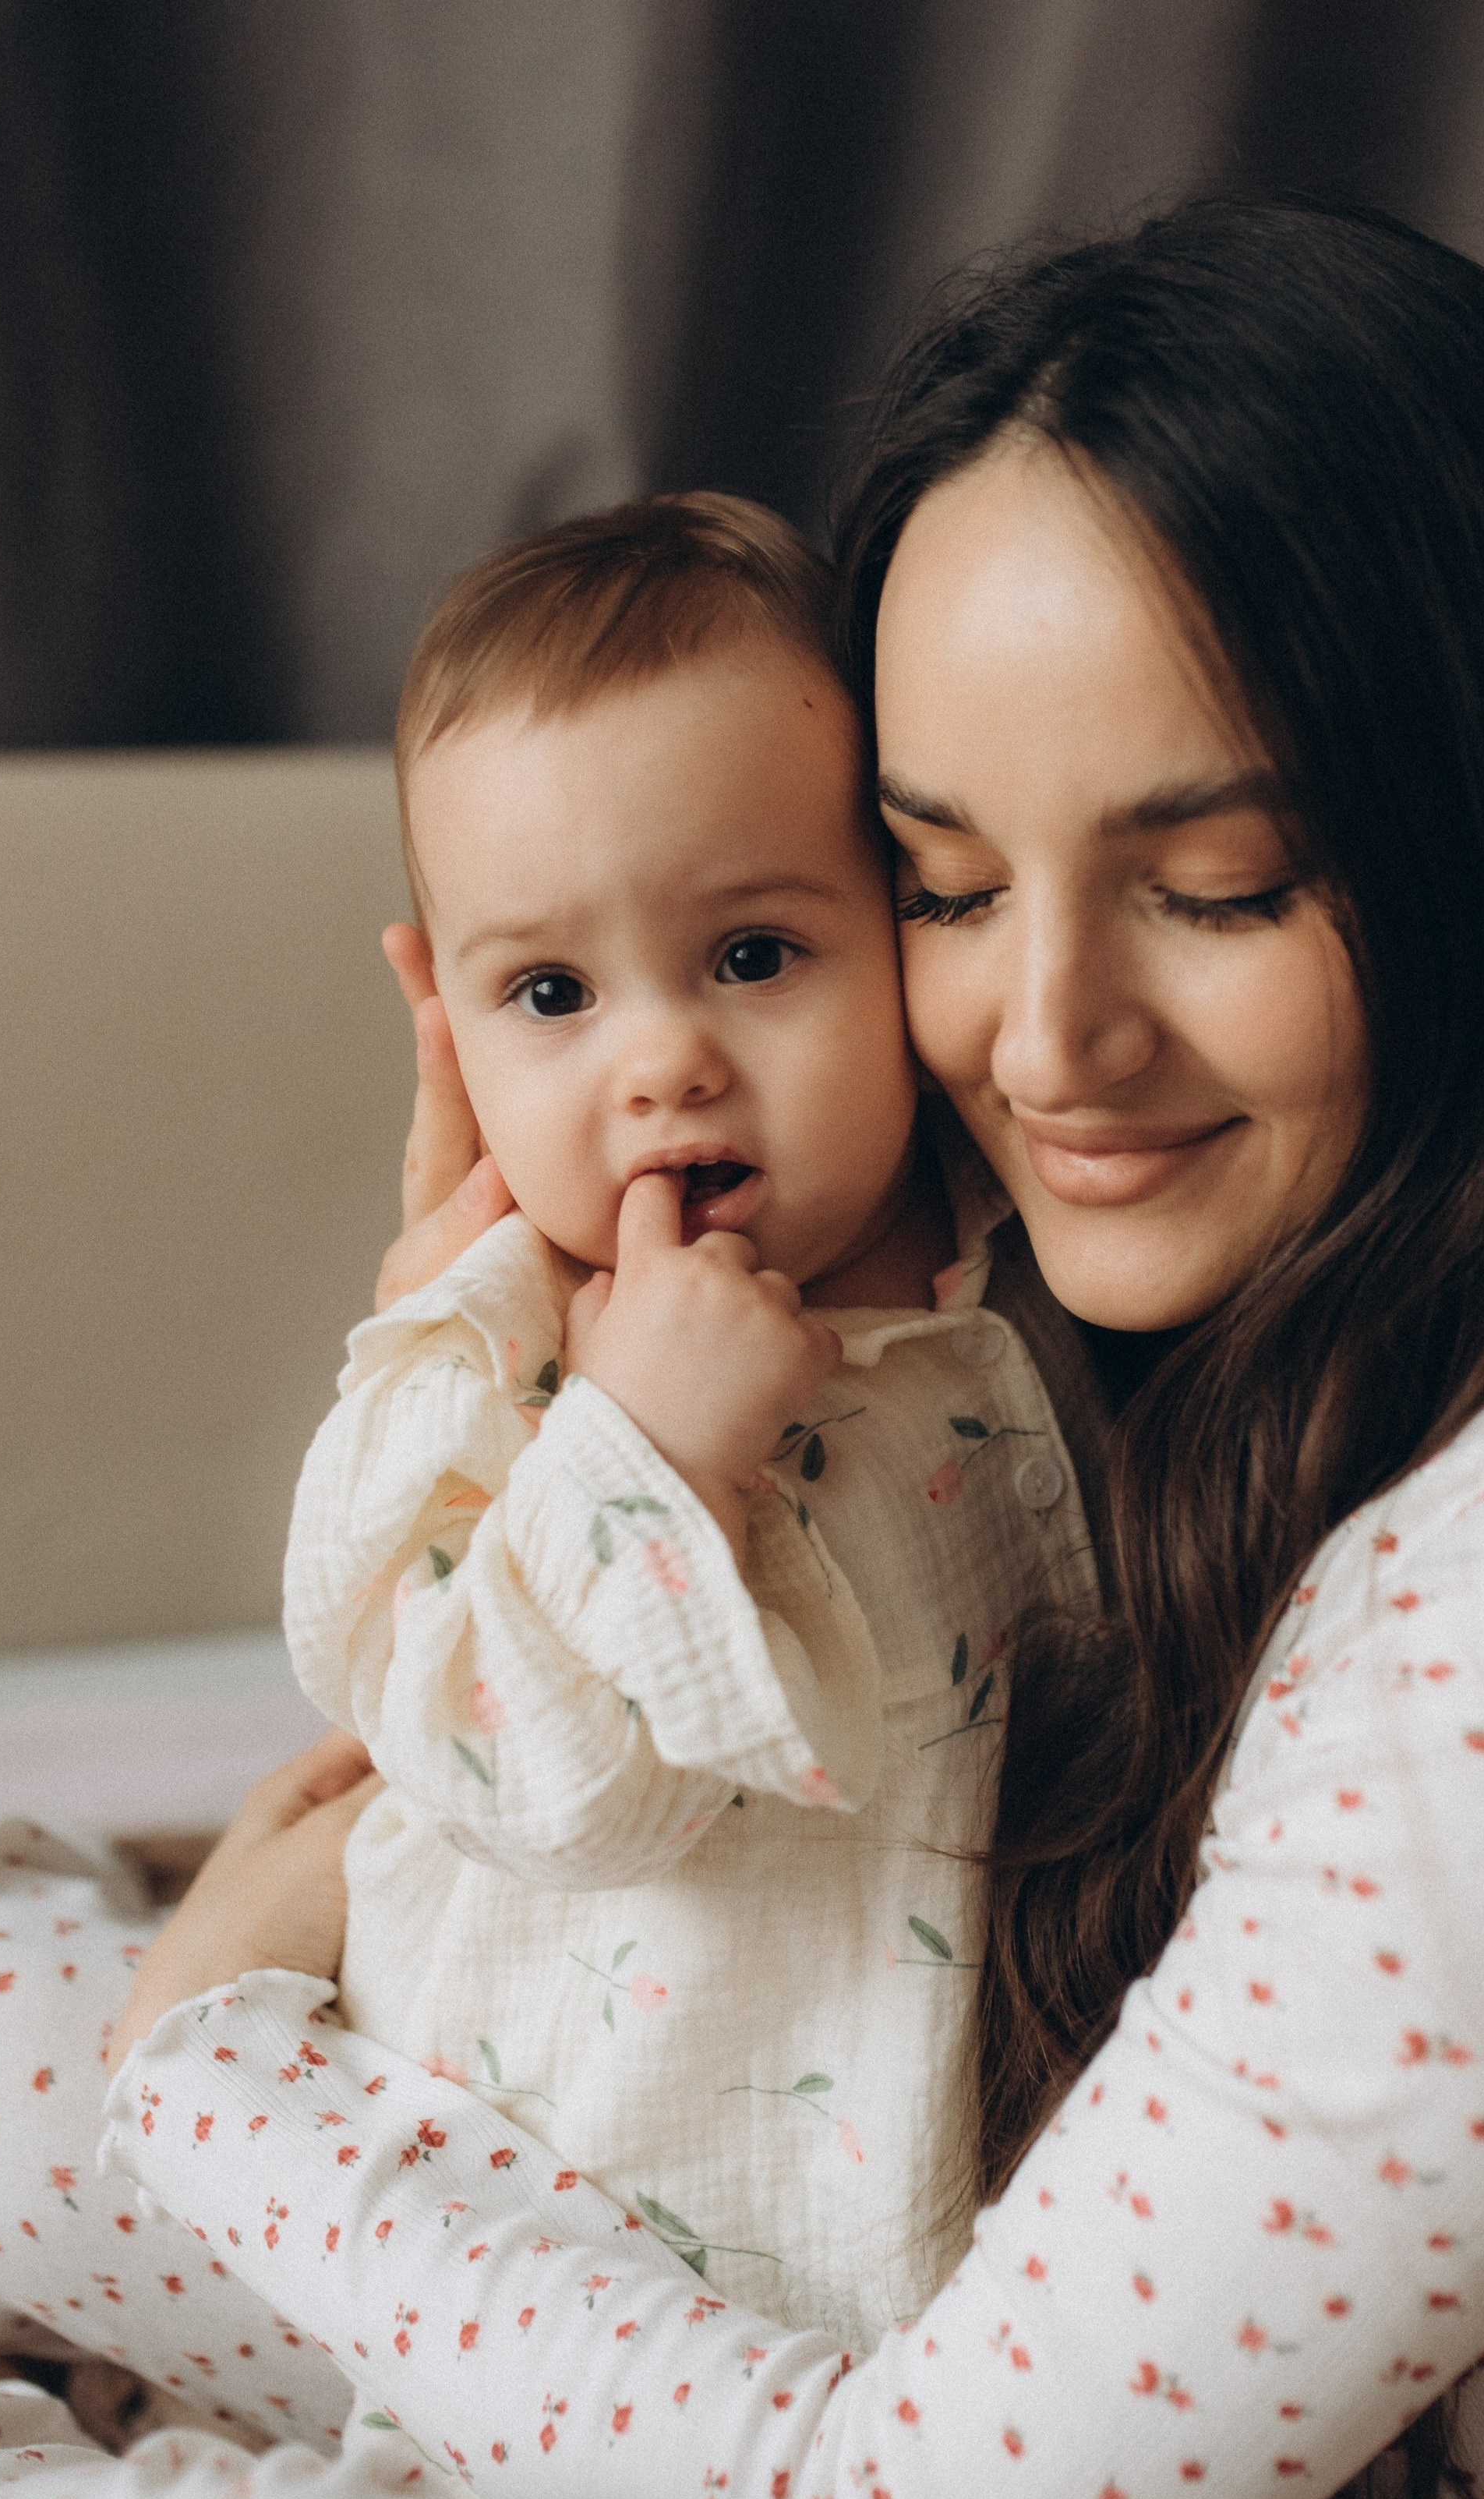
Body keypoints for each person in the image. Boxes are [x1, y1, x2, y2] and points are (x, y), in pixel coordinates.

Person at [0, 195, 1484, 2499]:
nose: (1043, 1038)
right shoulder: (1206, 1260)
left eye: (1217, 881)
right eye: (929, 881)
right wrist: (523, 1368)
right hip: (880, 2361)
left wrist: (221, 2069)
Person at [284, 490, 1104, 2350]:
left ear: (911, 924)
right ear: (450, 1017)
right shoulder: (491, 1349)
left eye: (752, 953)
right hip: (551, 2262)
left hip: (930, 2246)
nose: (662, 1057)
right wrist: (636, 1451)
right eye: (552, 993)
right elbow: (514, 1782)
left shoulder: (1021, 1251)